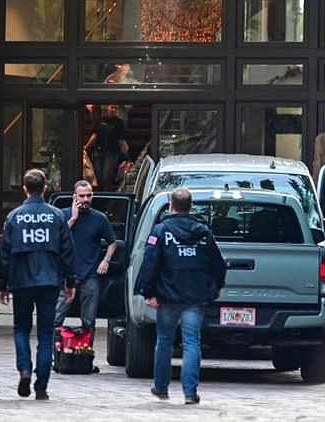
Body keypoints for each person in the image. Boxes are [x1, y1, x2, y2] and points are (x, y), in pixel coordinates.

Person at [134, 188, 227, 405]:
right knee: (192, 342)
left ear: (171, 206)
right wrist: (215, 287)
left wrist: (148, 291)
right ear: (190, 205)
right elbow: (218, 264)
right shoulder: (203, 232)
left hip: (167, 296)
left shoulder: (161, 231)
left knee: (165, 340)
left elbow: (150, 262)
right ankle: (190, 392)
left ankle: (161, 387)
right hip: (195, 297)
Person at [0, 169, 76, 400]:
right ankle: (41, 385)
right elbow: (67, 252)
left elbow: (4, 254)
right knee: (45, 332)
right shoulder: (57, 216)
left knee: (21, 328)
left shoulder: (14, 217)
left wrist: (2, 284)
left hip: (21, 281)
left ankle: (24, 368)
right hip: (50, 281)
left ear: (24, 188)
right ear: (44, 188)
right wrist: (70, 281)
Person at [53, 180, 117, 346]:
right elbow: (56, 239)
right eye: (82, 196)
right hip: (66, 275)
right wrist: (73, 219)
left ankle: (86, 354)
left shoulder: (99, 218)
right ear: (74, 197)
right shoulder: (62, 215)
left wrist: (106, 260)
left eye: (89, 195)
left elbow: (113, 242)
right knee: (55, 318)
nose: (86, 199)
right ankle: (54, 353)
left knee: (89, 321)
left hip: (90, 275)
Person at [84, 104, 129, 190]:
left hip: (111, 152)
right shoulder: (101, 120)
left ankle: (105, 196)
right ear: (107, 108)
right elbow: (95, 134)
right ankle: (99, 195)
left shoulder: (119, 123)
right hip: (99, 150)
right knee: (98, 176)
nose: (113, 109)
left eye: (115, 108)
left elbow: (121, 140)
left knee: (106, 176)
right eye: (112, 107)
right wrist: (87, 146)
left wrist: (125, 153)